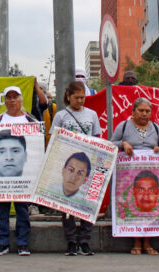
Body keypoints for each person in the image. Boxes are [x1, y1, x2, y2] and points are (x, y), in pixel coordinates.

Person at [50, 81, 100, 256]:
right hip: (68, 163)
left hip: (88, 164)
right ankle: (71, 241)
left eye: (83, 97)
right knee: (67, 204)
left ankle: (85, 241)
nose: (80, 101)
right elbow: (53, 139)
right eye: (77, 97)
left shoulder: (92, 114)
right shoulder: (61, 116)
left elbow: (97, 138)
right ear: (68, 96)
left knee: (88, 203)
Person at [0, 85, 39, 256]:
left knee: (22, 209)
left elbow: (37, 147)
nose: (11, 101)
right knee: (1, 209)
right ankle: (1, 242)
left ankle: (23, 243)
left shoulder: (31, 121)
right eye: (8, 97)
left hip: (23, 176)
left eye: (15, 97)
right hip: (1, 177)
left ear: (21, 99)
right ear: (4, 101)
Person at [111, 97, 159, 255]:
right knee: (132, 205)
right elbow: (111, 143)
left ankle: (148, 243)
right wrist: (123, 144)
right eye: (141, 110)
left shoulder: (155, 127)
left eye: (147, 111)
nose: (144, 114)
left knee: (150, 209)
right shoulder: (124, 126)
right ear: (133, 112)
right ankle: (135, 241)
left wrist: (157, 149)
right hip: (129, 176)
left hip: (151, 175)